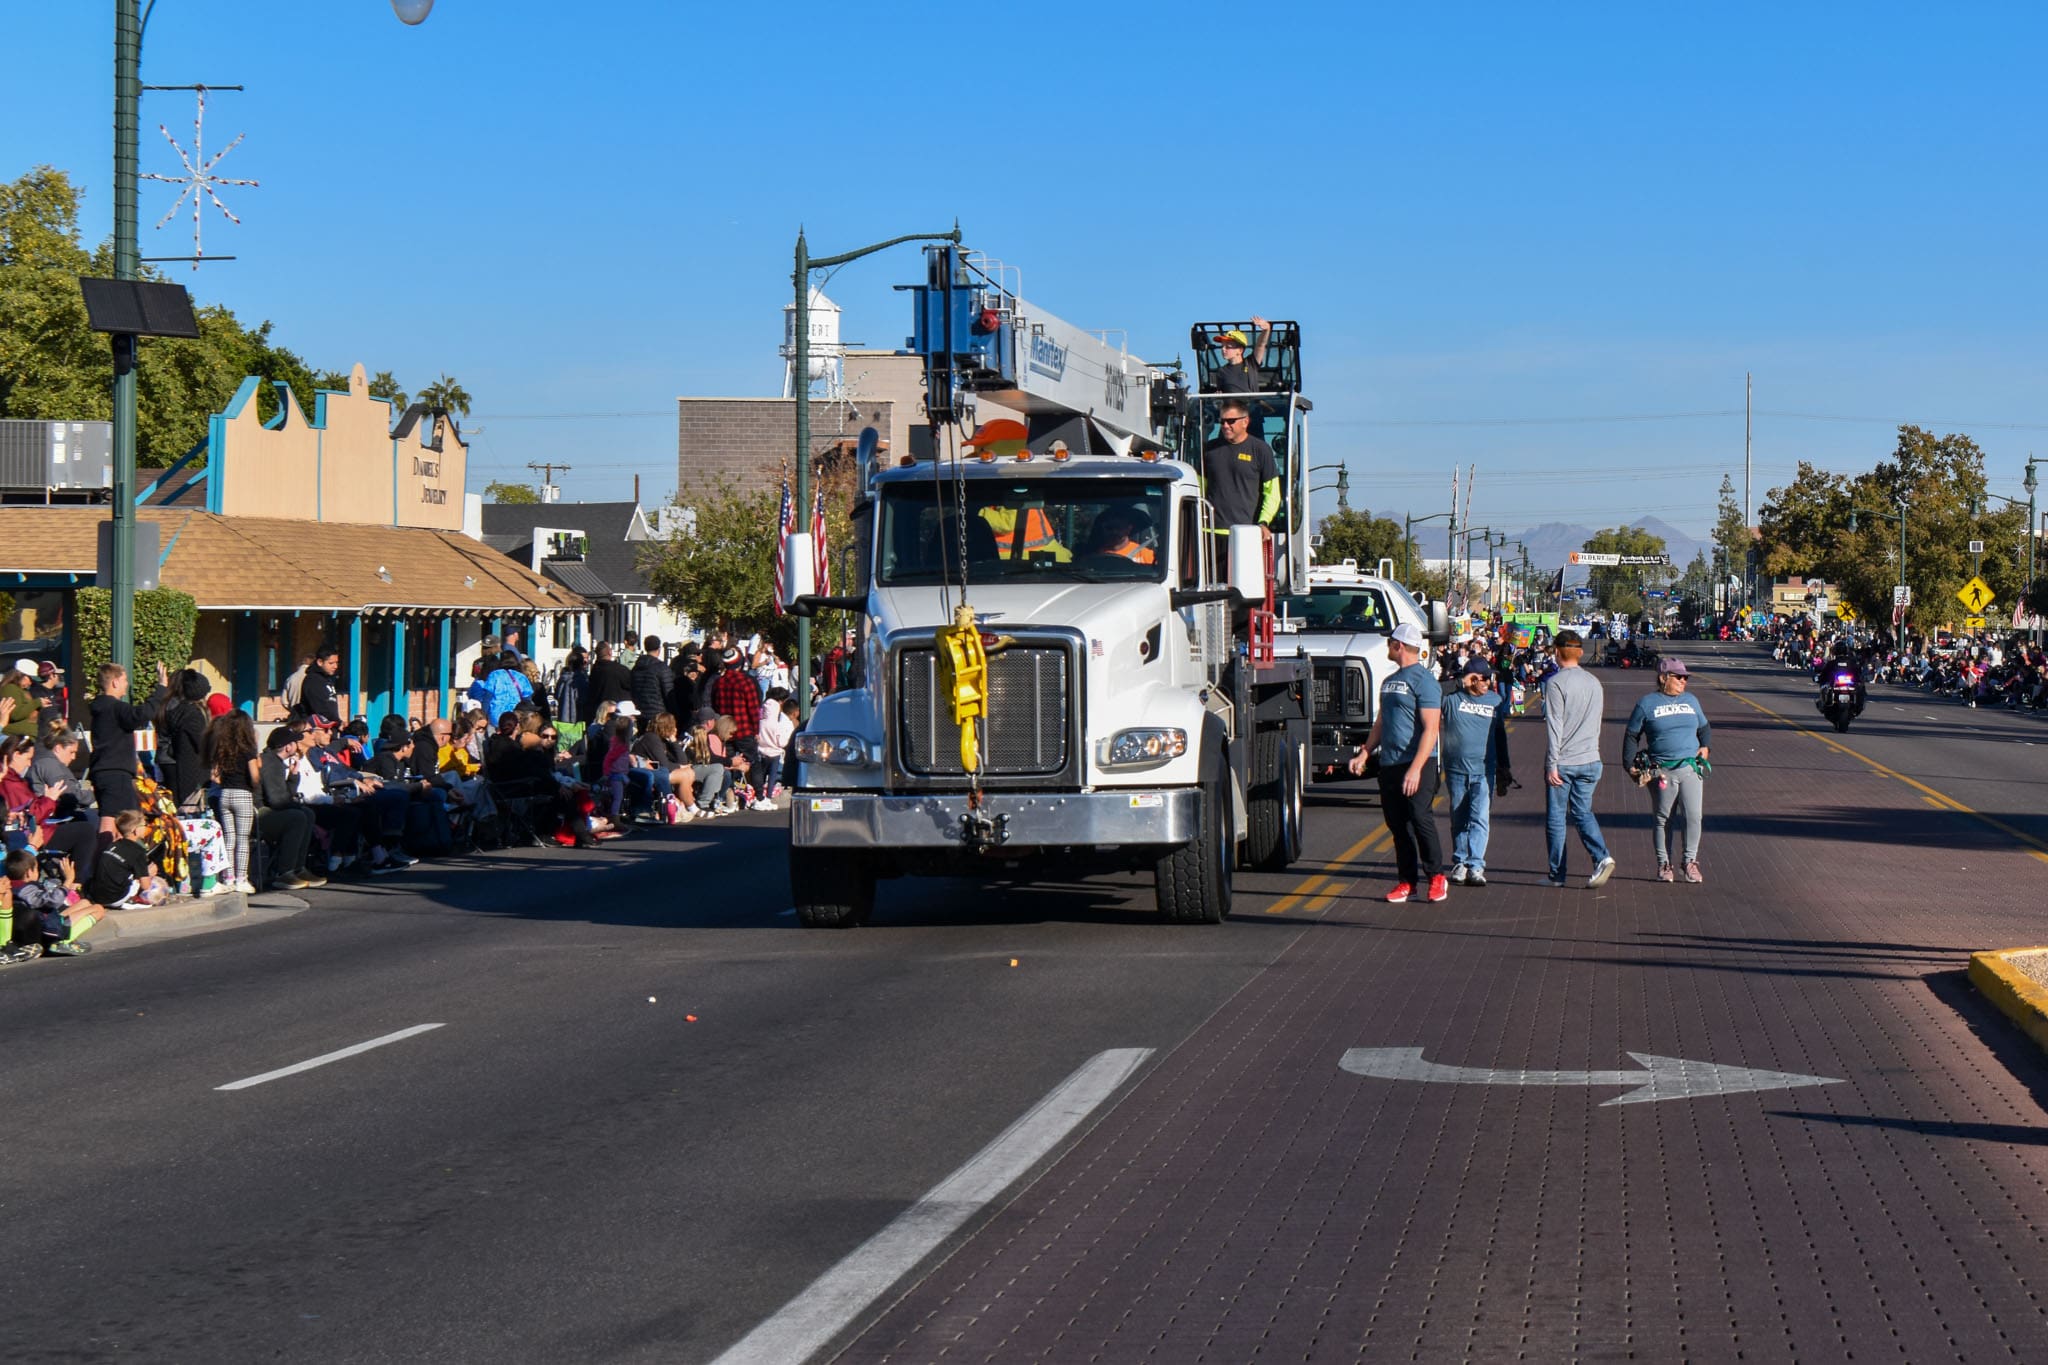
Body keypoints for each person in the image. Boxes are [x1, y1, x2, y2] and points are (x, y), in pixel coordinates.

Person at [1348, 621, 1446, 903]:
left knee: (1420, 818)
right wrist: (1365, 752)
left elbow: (1431, 728)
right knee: (1397, 825)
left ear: (1399, 646)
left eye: (1390, 642)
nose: (1387, 646)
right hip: (1390, 763)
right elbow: (1382, 721)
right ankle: (1407, 882)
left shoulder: (1424, 681)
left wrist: (1415, 769)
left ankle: (1437, 876)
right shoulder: (1389, 681)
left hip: (1418, 763)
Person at [1625, 657, 1713, 884]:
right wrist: (1629, 763)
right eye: (1678, 677)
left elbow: (1704, 727)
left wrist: (1705, 747)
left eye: (1685, 677)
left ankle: (1689, 861)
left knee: (1694, 816)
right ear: (1664, 678)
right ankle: (1664, 864)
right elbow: (1632, 734)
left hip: (1690, 767)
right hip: (1661, 770)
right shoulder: (1647, 703)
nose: (1684, 681)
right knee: (1664, 818)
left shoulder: (1692, 701)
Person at [1542, 629, 1615, 888]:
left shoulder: (1556, 683)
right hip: (1591, 759)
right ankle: (1601, 856)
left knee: (1556, 817)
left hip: (1565, 761)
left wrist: (1552, 763)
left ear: (1556, 652)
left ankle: (1557, 874)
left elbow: (1555, 726)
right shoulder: (1594, 682)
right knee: (1583, 812)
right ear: (1580, 653)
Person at [1441, 655, 1514, 888]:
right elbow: (1435, 689)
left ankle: (1476, 865)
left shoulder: (1495, 700)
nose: (1488, 682)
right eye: (1483, 678)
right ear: (1471, 679)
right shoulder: (1451, 699)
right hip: (1456, 769)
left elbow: (1500, 736)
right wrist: (1459, 681)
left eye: (1489, 678)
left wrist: (1505, 766)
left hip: (1484, 770)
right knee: (1458, 816)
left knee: (1480, 817)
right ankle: (1460, 862)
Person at [88, 659, 169, 833]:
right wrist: (161, 688)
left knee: (124, 822)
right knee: (109, 822)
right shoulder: (116, 707)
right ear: (115, 682)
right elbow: (142, 714)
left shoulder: (100, 708)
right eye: (125, 680)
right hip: (115, 773)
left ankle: (115, 856)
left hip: (104, 771)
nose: (127, 684)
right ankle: (102, 858)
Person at [256, 728, 325, 890]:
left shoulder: (276, 762)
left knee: (306, 813)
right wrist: (296, 805)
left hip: (269, 809)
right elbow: (277, 800)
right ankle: (284, 872)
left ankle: (298, 867)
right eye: (294, 742)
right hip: (259, 813)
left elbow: (283, 796)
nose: (297, 745)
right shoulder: (270, 763)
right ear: (288, 747)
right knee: (297, 817)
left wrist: (293, 777)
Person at [1200, 399, 1280, 538]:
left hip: (1246, 532)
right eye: (1222, 421)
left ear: (1245, 422)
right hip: (1210, 533)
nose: (1225, 425)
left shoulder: (1261, 450)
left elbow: (1272, 493)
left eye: (1231, 421)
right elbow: (1200, 487)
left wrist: (1263, 522)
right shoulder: (1209, 450)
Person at [204, 708, 261, 895]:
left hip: (224, 794)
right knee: (243, 839)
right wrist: (254, 784)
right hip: (242, 793)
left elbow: (215, 776)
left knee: (229, 838)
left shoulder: (223, 749)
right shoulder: (248, 749)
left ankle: (227, 877)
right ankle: (241, 878)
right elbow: (254, 775)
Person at [85, 808, 171, 909]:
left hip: (96, 896)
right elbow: (145, 886)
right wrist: (148, 874)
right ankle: (131, 900)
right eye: (144, 825)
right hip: (114, 899)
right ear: (135, 830)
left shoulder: (113, 845)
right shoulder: (138, 852)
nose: (147, 828)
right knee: (149, 872)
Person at [710, 648, 765, 795]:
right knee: (753, 762)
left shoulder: (719, 683)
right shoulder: (746, 682)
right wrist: (756, 730)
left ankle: (729, 793)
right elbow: (753, 709)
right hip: (745, 729)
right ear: (739, 664)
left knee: (728, 763)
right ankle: (758, 795)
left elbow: (715, 705)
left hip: (724, 730)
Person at [156, 669, 212, 810]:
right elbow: (201, 743)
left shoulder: (166, 706)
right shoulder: (190, 713)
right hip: (185, 766)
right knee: (187, 807)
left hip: (165, 759)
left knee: (171, 804)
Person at [1205, 318, 1274, 393]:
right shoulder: (1221, 372)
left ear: (1240, 350)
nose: (1223, 349)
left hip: (1252, 404)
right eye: (1222, 346)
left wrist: (1267, 329)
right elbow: (1221, 395)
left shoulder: (1251, 363)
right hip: (1232, 405)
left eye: (1228, 346)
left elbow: (1261, 345)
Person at [1083, 506, 1156, 565]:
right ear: (1102, 528)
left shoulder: (1146, 556)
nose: (1114, 531)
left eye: (1119, 527)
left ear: (1129, 528)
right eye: (1109, 528)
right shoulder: (1092, 556)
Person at [631, 636, 676, 723]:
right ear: (659, 649)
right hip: (658, 715)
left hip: (640, 713)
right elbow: (669, 694)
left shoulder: (636, 668)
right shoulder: (661, 668)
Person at [299, 645, 345, 726]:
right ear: (320, 662)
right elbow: (321, 709)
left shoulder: (327, 679)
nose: (335, 666)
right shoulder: (313, 680)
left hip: (330, 727)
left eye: (336, 663)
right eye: (331, 663)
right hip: (317, 729)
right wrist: (338, 722)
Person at [588, 640, 635, 709]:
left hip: (597, 709)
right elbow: (632, 684)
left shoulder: (594, 670)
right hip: (615, 709)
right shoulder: (619, 670)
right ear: (610, 652)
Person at [0, 660, 39, 739]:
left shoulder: (22, 690)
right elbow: (15, 714)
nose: (31, 683)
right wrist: (37, 703)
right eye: (30, 679)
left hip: (28, 736)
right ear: (21, 675)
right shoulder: (10, 689)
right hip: (16, 738)